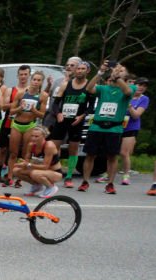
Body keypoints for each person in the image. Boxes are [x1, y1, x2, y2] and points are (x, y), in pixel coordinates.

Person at [79, 60, 136, 195]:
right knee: (90, 155)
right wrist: (101, 72)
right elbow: (89, 88)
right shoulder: (104, 88)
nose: (118, 71)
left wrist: (117, 77)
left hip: (114, 129)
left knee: (112, 157)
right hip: (97, 127)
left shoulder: (130, 88)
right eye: (117, 69)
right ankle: (85, 181)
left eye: (121, 70)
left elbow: (127, 91)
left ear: (126, 76)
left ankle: (110, 184)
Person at [50, 60, 90, 188]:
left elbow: (92, 106)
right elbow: (55, 103)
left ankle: (69, 176)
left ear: (87, 71)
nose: (79, 71)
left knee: (73, 149)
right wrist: (58, 114)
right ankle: (57, 171)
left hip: (76, 121)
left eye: (82, 69)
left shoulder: (89, 86)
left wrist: (82, 116)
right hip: (62, 119)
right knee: (55, 146)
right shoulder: (66, 85)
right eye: (78, 69)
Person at [5, 68, 48, 187]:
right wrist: (20, 108)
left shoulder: (43, 96)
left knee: (25, 153)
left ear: (41, 82)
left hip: (30, 125)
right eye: (34, 79)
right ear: (31, 80)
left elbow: (43, 114)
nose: (36, 82)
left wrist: (34, 110)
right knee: (13, 152)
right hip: (17, 124)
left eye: (39, 80)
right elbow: (12, 111)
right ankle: (9, 177)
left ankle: (20, 178)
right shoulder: (21, 93)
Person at [10, 125, 62, 198]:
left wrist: (28, 164)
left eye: (36, 136)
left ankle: (51, 187)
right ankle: (37, 186)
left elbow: (45, 167)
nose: (33, 138)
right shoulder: (31, 145)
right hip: (39, 170)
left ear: (44, 136)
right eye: (32, 136)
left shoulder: (49, 146)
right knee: (16, 170)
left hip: (55, 172)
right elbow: (26, 162)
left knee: (34, 173)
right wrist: (20, 164)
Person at [118, 77, 148, 185]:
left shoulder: (144, 99)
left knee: (124, 153)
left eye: (144, 86)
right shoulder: (124, 94)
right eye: (140, 85)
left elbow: (136, 115)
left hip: (131, 127)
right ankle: (107, 173)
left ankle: (126, 175)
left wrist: (129, 106)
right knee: (111, 152)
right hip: (117, 126)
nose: (141, 88)